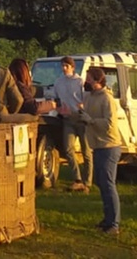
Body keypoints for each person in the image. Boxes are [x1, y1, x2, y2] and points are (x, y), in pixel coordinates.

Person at [79, 67, 122, 235]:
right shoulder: (89, 97)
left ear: (98, 81)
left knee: (109, 184)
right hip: (96, 146)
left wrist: (91, 121)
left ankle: (114, 224)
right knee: (102, 184)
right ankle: (107, 220)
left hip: (109, 147)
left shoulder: (107, 99)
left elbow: (110, 124)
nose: (86, 82)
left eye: (89, 79)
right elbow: (85, 115)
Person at [54, 56, 93, 192]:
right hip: (68, 118)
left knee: (86, 151)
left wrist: (83, 107)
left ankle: (88, 181)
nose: (64, 68)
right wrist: (59, 108)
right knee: (69, 149)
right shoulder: (58, 82)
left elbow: (87, 98)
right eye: (62, 66)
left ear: (72, 67)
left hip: (80, 117)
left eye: (66, 66)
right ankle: (77, 179)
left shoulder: (79, 81)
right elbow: (56, 99)